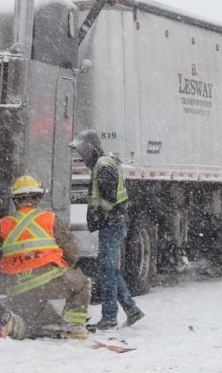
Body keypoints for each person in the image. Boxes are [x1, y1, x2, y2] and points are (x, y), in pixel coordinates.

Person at [0, 175, 92, 340]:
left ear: (15, 200)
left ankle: (13, 323)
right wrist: (64, 267)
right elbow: (72, 251)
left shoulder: (4, 224)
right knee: (83, 283)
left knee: (30, 324)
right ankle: (74, 327)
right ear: (38, 198)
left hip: (16, 286)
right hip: (48, 279)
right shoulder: (49, 219)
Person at [69, 129, 144, 330]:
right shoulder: (103, 164)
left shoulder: (103, 167)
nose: (81, 156)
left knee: (107, 271)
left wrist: (98, 214)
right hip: (111, 224)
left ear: (91, 148)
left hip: (112, 225)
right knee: (110, 269)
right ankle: (131, 310)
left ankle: (110, 316)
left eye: (82, 151)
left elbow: (109, 199)